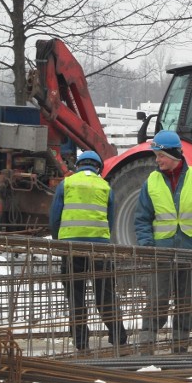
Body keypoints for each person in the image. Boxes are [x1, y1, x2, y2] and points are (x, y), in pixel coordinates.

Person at [134, 130, 192, 354]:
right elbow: (142, 218)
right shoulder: (151, 182)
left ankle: (179, 346)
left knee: (185, 304)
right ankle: (147, 344)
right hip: (162, 253)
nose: (157, 160)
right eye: (156, 155)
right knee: (157, 300)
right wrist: (146, 243)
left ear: (174, 154)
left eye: (160, 155)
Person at [49, 150, 127, 353]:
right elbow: (110, 219)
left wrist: (59, 240)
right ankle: (119, 337)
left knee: (76, 297)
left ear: (79, 165)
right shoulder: (105, 186)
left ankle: (81, 342)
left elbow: (55, 216)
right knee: (105, 295)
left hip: (71, 248)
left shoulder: (66, 184)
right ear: (98, 167)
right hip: (99, 249)